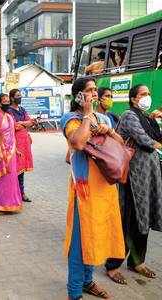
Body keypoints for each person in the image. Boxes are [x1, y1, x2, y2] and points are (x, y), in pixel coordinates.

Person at [60, 77, 125, 300]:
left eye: (96, 89)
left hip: (105, 187)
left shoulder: (104, 117)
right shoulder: (71, 119)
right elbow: (77, 143)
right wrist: (87, 115)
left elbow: (120, 145)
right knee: (81, 240)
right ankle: (75, 291)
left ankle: (88, 281)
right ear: (78, 95)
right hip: (85, 189)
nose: (94, 94)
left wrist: (108, 131)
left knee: (97, 236)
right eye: (89, 90)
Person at [104, 84, 162, 284]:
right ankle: (113, 265)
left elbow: (157, 136)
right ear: (133, 98)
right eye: (143, 94)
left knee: (143, 219)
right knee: (128, 220)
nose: (147, 97)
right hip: (133, 178)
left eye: (148, 93)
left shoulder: (146, 117)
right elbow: (145, 140)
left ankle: (137, 262)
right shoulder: (130, 115)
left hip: (148, 177)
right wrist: (157, 144)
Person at [0, 94, 22, 214]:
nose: (7, 103)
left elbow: (12, 134)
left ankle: (10, 204)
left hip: (11, 152)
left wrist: (16, 149)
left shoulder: (9, 116)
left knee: (10, 178)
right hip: (0, 153)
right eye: (5, 101)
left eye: (8, 101)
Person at [8, 89, 34, 203]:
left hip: (24, 142)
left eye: (20, 95)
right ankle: (14, 193)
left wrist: (22, 123)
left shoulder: (22, 109)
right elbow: (14, 126)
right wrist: (25, 123)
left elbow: (30, 122)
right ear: (12, 98)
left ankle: (21, 192)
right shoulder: (9, 111)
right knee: (14, 168)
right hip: (15, 142)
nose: (20, 97)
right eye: (18, 96)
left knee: (21, 169)